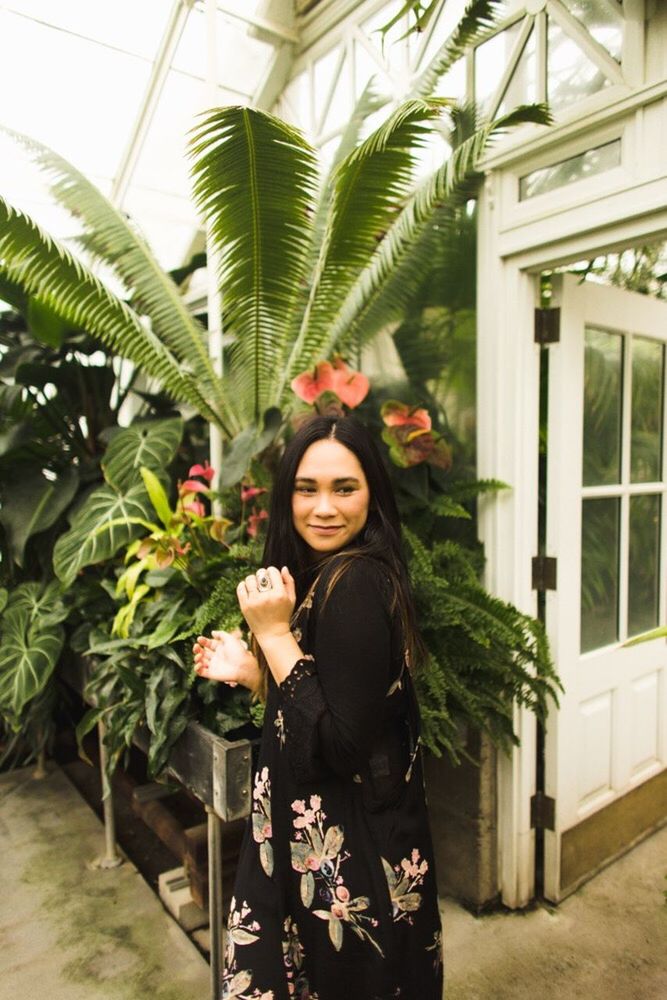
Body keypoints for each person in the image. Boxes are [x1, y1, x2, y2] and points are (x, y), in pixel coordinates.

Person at [193, 415, 443, 1000]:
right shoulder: (328, 574)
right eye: (307, 489)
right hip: (329, 852)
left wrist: (276, 637)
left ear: (372, 493)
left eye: (344, 488)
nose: (323, 508)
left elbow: (342, 747)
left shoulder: (353, 583)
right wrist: (258, 671)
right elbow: (334, 703)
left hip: (346, 867)